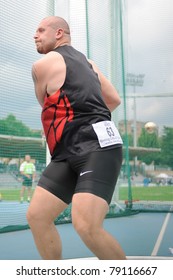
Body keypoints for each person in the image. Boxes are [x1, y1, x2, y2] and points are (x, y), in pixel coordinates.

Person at [27, 16, 126, 260]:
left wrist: (80, 123)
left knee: (86, 224)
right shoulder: (89, 63)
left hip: (96, 149)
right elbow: (113, 100)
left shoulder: (42, 65)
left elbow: (47, 106)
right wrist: (87, 118)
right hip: (68, 151)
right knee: (37, 215)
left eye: (41, 30)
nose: (35, 35)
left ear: (59, 33)